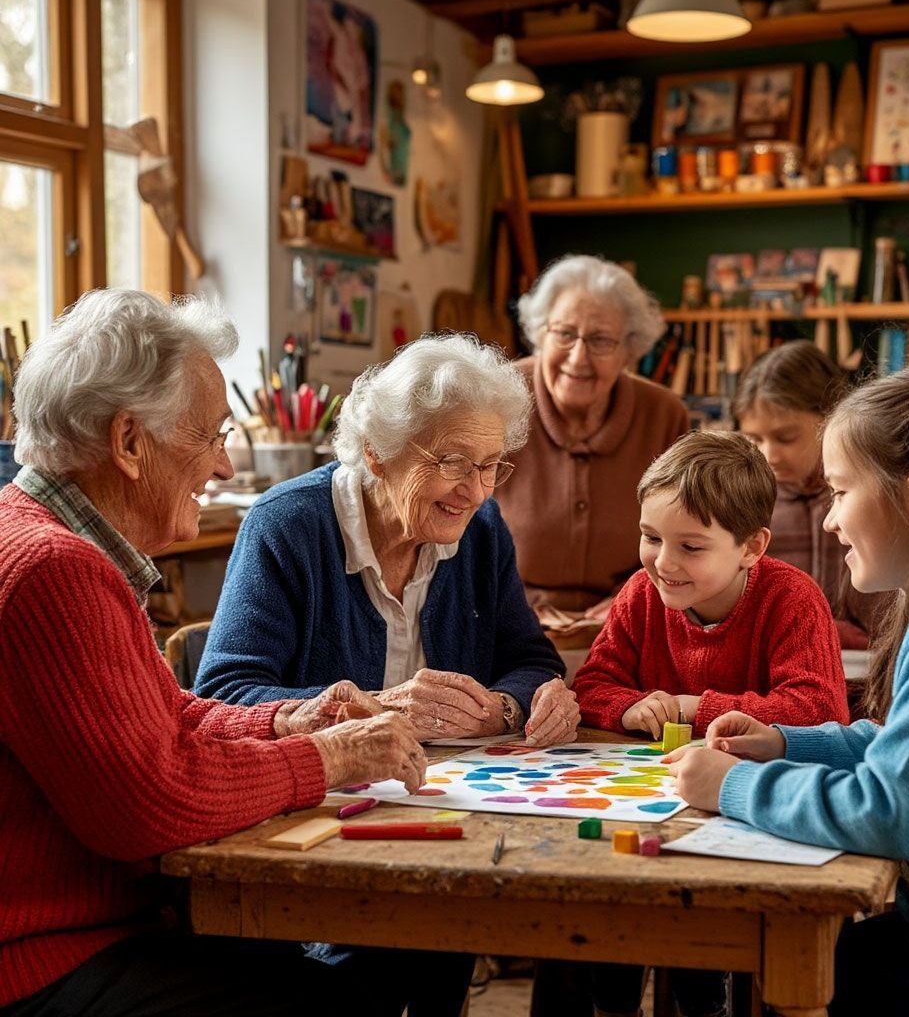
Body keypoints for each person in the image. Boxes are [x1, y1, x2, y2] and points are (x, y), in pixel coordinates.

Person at [0, 289, 427, 1017]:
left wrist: (292, 723)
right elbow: (148, 800)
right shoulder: (52, 570)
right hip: (45, 961)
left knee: (360, 975)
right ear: (130, 443)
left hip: (92, 934)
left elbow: (161, 718)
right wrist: (332, 757)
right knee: (346, 999)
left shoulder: (45, 537)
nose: (226, 467)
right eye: (211, 436)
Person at [195, 332, 579, 1015]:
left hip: (443, 819)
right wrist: (367, 709)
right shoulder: (288, 526)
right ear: (376, 451)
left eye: (493, 465)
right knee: (365, 971)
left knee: (472, 923)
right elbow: (224, 695)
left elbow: (531, 661)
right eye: (454, 461)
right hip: (318, 831)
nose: (476, 490)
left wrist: (505, 709)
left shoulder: (481, 533)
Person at [672, 362, 909, 1017]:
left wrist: (730, 787)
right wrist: (784, 742)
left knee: (801, 965)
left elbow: (896, 811)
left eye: (840, 492)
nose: (831, 521)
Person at [570, 430, 850, 1017]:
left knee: (702, 964)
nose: (663, 563)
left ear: (751, 545)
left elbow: (820, 711)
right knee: (603, 942)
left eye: (691, 547)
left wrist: (692, 705)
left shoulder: (792, 598)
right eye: (650, 538)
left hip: (744, 822)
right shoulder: (641, 594)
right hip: (644, 810)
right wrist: (626, 706)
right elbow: (592, 684)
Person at [494, 255, 690, 626]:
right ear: (540, 334)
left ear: (628, 351)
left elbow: (686, 539)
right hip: (501, 624)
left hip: (633, 625)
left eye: (600, 340)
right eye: (565, 334)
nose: (578, 357)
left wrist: (633, 597)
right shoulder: (496, 401)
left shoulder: (664, 415)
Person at [734, 340, 891, 649]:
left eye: (786, 437)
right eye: (753, 438)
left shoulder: (870, 497)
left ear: (831, 418)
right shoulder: (742, 505)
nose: (769, 454)